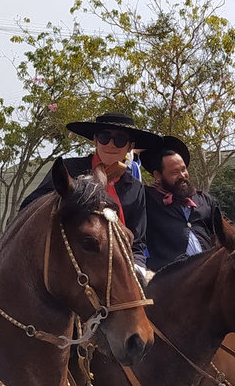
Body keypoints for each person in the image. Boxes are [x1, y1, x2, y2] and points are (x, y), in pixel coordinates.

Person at [21, 112, 161, 270]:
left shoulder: (135, 188)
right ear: (95, 140)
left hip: (118, 270)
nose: (111, 144)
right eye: (104, 137)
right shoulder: (68, 170)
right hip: (64, 264)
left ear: (130, 147)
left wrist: (137, 269)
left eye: (120, 139)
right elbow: (30, 208)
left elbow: (137, 242)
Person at [139, 136, 219, 272]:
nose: (182, 175)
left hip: (208, 275)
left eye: (183, 169)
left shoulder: (204, 200)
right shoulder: (146, 199)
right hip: (169, 281)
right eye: (174, 172)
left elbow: (224, 232)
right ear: (158, 175)